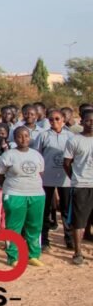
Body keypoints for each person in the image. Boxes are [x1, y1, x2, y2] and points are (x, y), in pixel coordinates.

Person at [0, 125, 45, 267]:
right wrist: (10, 188)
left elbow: (40, 174)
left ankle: (33, 255)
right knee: (14, 227)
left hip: (36, 195)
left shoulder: (37, 155)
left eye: (26, 136)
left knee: (34, 226)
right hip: (15, 195)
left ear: (30, 137)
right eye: (19, 136)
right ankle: (13, 257)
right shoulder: (8, 155)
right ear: (14, 138)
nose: (23, 139)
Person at [35, 110, 74, 250]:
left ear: (63, 119)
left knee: (66, 210)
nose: (54, 122)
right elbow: (37, 155)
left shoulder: (70, 136)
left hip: (65, 179)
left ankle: (69, 238)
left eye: (57, 119)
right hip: (46, 179)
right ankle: (44, 239)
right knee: (45, 210)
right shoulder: (43, 135)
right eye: (51, 119)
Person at [63, 110, 93, 265]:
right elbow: (66, 163)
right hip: (81, 185)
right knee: (79, 221)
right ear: (81, 122)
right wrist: (75, 178)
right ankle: (78, 252)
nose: (91, 124)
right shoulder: (74, 140)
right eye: (88, 121)